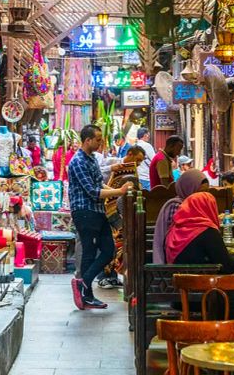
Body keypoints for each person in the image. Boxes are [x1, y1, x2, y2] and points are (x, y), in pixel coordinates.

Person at [69, 125, 133, 310]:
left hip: (97, 211)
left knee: (108, 250)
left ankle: (85, 285)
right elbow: (92, 191)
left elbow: (100, 183)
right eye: (97, 139)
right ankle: (86, 293)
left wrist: (116, 190)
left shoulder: (91, 159)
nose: (100, 143)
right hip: (85, 211)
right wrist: (119, 191)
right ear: (87, 140)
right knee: (90, 252)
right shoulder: (78, 161)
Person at [166, 191, 234, 318]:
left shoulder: (175, 229)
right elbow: (227, 266)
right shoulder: (207, 231)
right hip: (207, 294)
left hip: (179, 295)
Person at [97, 146, 146, 289]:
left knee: (116, 242)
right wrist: (112, 168)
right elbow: (96, 174)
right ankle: (105, 276)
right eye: (137, 160)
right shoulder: (112, 161)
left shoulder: (132, 173)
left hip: (116, 211)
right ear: (130, 154)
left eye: (141, 162)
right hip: (105, 207)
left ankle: (111, 277)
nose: (138, 164)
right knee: (110, 244)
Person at [153, 169, 209, 264]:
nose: (203, 195)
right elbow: (181, 238)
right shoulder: (177, 206)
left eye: (206, 192)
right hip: (177, 258)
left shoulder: (198, 205)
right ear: (189, 189)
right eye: (199, 192)